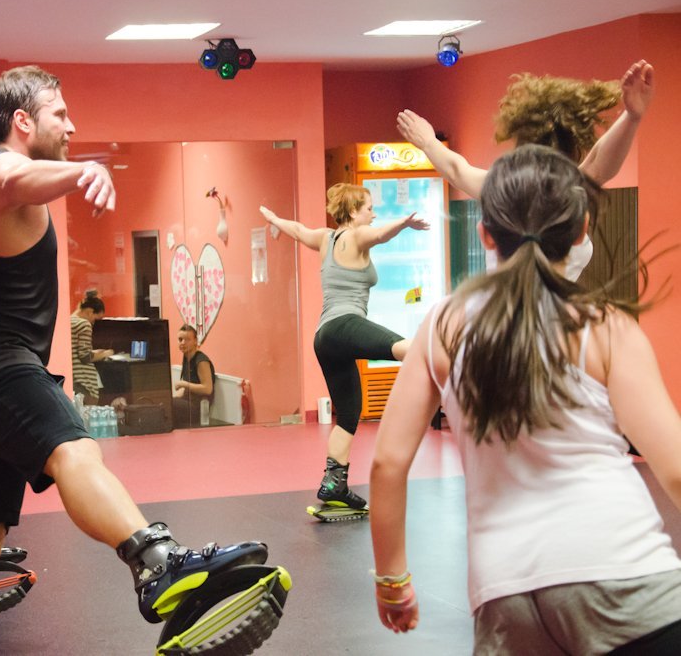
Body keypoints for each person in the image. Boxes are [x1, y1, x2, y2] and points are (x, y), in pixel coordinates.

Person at [0, 65, 268, 653]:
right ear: (22, 121)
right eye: (60, 114)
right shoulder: (3, 173)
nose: (71, 126)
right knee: (76, 450)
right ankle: (157, 561)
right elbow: (10, 177)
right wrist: (85, 170)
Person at [369, 144, 681, 652]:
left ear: (485, 234)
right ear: (581, 231)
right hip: (626, 576)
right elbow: (676, 469)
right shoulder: (602, 325)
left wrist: (392, 581)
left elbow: (387, 463)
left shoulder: (442, 325)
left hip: (505, 596)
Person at [396, 59, 655, 281]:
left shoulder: (504, 188)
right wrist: (632, 117)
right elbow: (598, 165)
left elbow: (456, 171)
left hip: (506, 317)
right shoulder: (566, 191)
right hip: (532, 318)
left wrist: (428, 142)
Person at [259, 186, 429, 519]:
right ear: (353, 212)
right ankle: (462, 375)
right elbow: (378, 235)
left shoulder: (325, 238)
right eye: (369, 208)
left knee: (349, 414)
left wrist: (275, 220)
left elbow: (299, 230)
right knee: (411, 348)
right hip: (345, 325)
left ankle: (334, 483)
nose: (373, 213)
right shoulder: (356, 236)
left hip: (324, 337)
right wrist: (403, 224)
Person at [70, 290, 113, 405]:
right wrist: (105, 354)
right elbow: (85, 357)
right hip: (84, 381)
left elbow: (76, 350)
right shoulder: (84, 324)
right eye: (96, 318)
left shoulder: (69, 321)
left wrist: (95, 352)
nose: (94, 323)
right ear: (89, 312)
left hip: (73, 379)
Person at [172, 324, 215, 428]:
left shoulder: (201, 361)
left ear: (195, 341)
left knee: (169, 405)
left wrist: (184, 384)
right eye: (180, 339)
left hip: (198, 408)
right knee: (164, 403)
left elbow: (207, 389)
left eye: (187, 339)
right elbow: (186, 389)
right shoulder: (186, 358)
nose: (183, 343)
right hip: (187, 402)